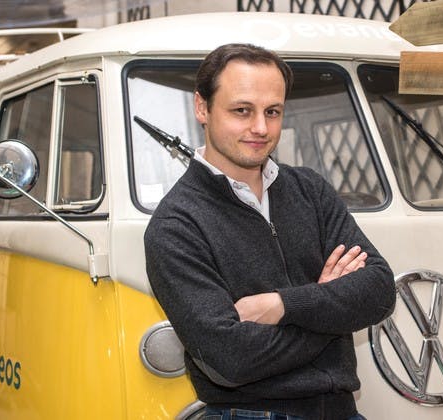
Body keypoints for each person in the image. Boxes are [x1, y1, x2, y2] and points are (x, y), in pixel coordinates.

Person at [144, 43, 396, 420]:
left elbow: (379, 290)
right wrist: (331, 309)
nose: (261, 128)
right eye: (242, 110)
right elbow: (230, 359)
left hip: (343, 411)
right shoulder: (176, 225)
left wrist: (282, 305)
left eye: (273, 112)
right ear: (202, 107)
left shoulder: (310, 190)